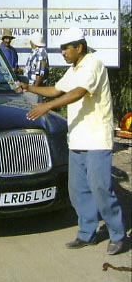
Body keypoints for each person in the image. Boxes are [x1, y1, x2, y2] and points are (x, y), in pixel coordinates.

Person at [18, 27, 125, 255]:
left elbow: (78, 92)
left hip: (96, 138)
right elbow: (56, 89)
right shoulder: (74, 69)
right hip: (77, 138)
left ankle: (117, 234)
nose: (63, 52)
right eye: (61, 48)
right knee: (77, 190)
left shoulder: (93, 64)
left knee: (100, 188)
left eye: (66, 47)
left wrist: (46, 106)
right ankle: (87, 233)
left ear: (79, 47)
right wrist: (28, 87)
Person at [23, 32, 49, 103]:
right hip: (30, 88)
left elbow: (40, 74)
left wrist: (34, 90)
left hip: (34, 90)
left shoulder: (40, 53)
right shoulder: (35, 52)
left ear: (33, 42)